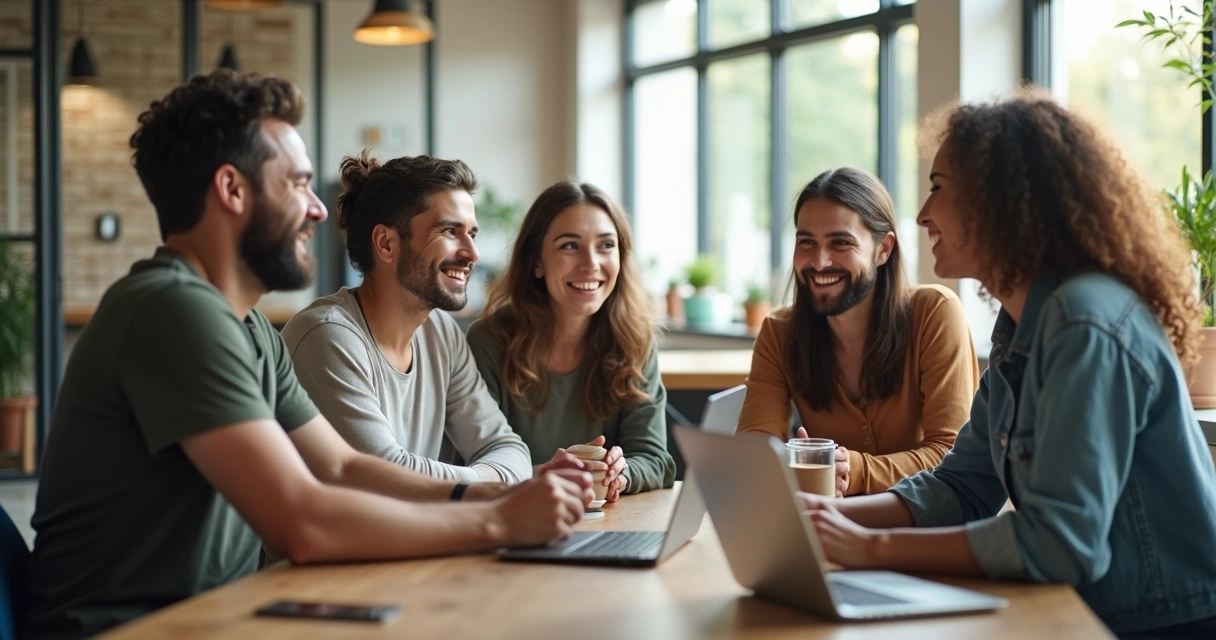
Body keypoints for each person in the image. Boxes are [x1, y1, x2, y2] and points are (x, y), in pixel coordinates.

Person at [24, 71, 590, 640]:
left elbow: (343, 466)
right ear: (232, 189)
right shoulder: (172, 310)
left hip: (221, 617)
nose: (319, 209)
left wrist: (496, 493)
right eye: (296, 184)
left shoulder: (250, 330)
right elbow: (303, 520)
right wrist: (496, 519)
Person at [801, 91, 1216, 638]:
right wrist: (821, 522)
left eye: (939, 189)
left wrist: (871, 547)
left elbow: (1062, 543)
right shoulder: (1024, 324)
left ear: (1002, 199)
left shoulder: (1082, 322)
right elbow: (964, 485)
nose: (923, 214)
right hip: (1092, 609)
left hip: (1163, 621)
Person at [280, 152, 534, 484]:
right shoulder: (327, 336)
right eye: (449, 231)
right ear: (386, 243)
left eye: (471, 233)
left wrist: (477, 483)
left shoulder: (441, 332)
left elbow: (506, 446)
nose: (472, 253)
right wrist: (491, 483)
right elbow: (387, 476)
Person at [737, 167, 978, 497]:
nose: (820, 262)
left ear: (883, 249)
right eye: (806, 242)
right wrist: (775, 467)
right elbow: (755, 450)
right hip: (829, 526)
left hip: (924, 526)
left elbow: (952, 455)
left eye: (840, 243)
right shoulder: (779, 332)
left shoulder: (934, 313)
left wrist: (852, 471)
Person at [466, 181, 676, 501]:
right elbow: (468, 468)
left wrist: (621, 472)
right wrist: (540, 477)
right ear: (536, 261)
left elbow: (654, 459)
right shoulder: (489, 342)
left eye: (606, 245)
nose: (591, 263)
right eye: (569, 246)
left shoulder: (634, 342)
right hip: (514, 520)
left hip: (608, 526)